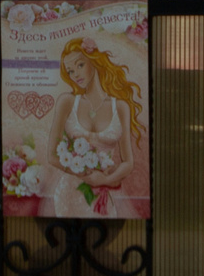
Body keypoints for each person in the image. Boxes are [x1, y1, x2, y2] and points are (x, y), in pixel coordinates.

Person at [36, 35, 147, 215]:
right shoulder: (68, 102)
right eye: (70, 71)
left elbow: (128, 162)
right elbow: (51, 155)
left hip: (103, 192)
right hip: (69, 192)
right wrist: (85, 175)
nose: (76, 75)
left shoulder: (120, 106)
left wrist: (104, 180)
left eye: (80, 65)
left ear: (94, 61)